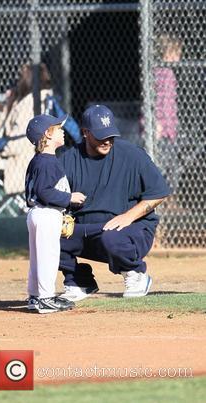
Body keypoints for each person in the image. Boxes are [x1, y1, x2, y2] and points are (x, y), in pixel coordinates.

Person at [57, 104, 171, 301]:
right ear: (85, 133)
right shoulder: (69, 160)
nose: (107, 141)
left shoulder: (131, 154)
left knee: (112, 237)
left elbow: (159, 192)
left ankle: (135, 273)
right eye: (101, 135)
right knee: (44, 233)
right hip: (86, 229)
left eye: (110, 135)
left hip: (129, 230)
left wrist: (129, 216)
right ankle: (79, 281)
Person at [25, 113, 86, 313]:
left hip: (37, 213)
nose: (62, 131)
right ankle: (46, 298)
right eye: (58, 128)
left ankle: (35, 296)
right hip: (47, 214)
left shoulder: (38, 159)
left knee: (37, 258)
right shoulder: (47, 161)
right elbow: (45, 191)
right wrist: (69, 198)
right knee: (48, 257)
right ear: (47, 135)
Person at [0, 63, 54, 195]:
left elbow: (17, 142)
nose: (18, 82)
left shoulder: (28, 103)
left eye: (20, 77)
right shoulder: (47, 98)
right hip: (33, 157)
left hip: (19, 160)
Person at [154, 34, 182, 192]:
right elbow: (160, 102)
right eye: (177, 53)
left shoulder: (166, 72)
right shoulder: (163, 74)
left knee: (171, 164)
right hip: (162, 129)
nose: (179, 57)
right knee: (163, 166)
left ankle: (169, 196)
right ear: (168, 54)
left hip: (169, 129)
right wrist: (158, 123)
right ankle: (164, 198)